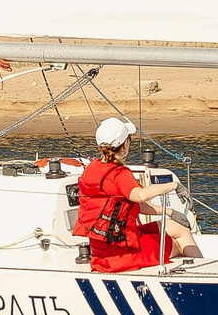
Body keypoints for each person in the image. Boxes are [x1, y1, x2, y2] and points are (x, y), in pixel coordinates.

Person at [74, 117, 199, 273]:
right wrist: (173, 186)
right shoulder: (119, 173)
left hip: (102, 252)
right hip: (123, 253)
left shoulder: (92, 168)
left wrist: (170, 212)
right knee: (177, 242)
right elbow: (139, 196)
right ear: (125, 144)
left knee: (177, 227)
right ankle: (203, 277)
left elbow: (134, 205)